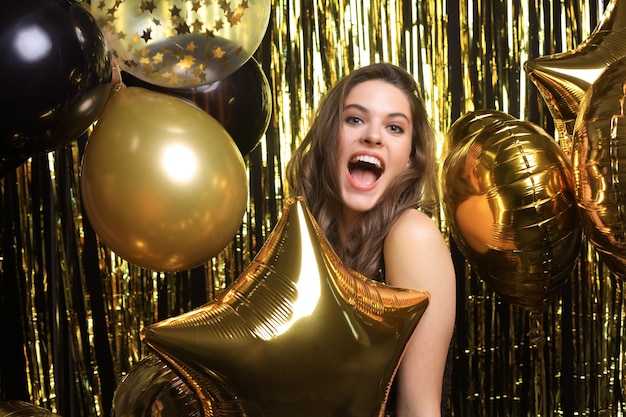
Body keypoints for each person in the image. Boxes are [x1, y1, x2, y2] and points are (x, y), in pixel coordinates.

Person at [286, 63, 457, 417]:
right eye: (354, 120)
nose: (373, 136)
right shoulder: (309, 240)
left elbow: (418, 409)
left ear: (410, 156)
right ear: (329, 136)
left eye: (394, 127)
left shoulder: (412, 235)